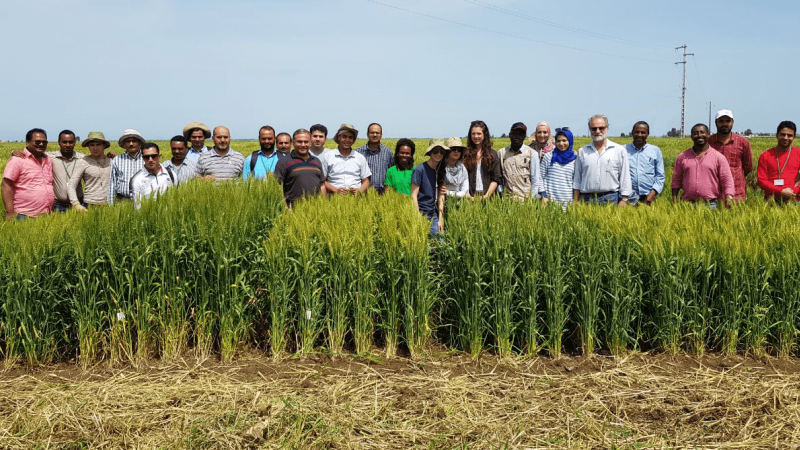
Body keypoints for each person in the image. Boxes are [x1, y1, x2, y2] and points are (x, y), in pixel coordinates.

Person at [572, 114, 632, 206]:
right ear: (589, 129)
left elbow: (625, 176)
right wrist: (576, 199)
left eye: (601, 128)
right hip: (587, 199)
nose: (597, 131)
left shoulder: (619, 150)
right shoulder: (582, 151)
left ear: (607, 128)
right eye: (594, 129)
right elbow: (577, 178)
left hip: (610, 198)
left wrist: (624, 199)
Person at [671, 124, 735, 208]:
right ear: (691, 136)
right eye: (696, 133)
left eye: (702, 132)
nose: (699, 135)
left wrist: (729, 197)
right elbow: (676, 179)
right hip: (687, 205)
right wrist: (674, 200)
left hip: (711, 205)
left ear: (708, 134)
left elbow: (727, 179)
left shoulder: (719, 157)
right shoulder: (682, 157)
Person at [2, 128, 54, 219]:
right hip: (24, 215)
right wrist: (9, 212)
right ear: (27, 142)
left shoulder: (48, 160)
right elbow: (6, 185)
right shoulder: (17, 160)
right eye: (37, 142)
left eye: (44, 142)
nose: (41, 144)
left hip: (46, 215)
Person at [274, 129, 327, 209]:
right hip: (293, 210)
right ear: (293, 143)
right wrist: (286, 209)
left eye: (306, 142)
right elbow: (278, 187)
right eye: (299, 141)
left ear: (310, 142)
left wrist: (323, 205)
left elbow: (322, 185)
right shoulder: (283, 162)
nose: (303, 145)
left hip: (315, 209)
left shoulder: (316, 161)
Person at [709, 109, 753, 201]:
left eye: (728, 121)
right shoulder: (708, 143)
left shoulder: (743, 142)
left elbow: (748, 167)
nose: (724, 124)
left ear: (732, 122)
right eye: (721, 121)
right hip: (713, 192)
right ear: (716, 123)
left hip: (737, 192)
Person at [756, 121, 800, 203]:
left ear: (794, 137)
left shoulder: (798, 154)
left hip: (794, 200)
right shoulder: (765, 156)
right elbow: (761, 180)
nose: (786, 138)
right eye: (783, 134)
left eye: (789, 135)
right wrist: (780, 191)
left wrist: (794, 191)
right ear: (777, 135)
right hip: (771, 201)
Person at [497, 122, 542, 201]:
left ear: (524, 136)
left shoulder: (532, 154)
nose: (517, 136)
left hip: (525, 200)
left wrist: (532, 200)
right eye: (515, 133)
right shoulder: (501, 153)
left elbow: (535, 179)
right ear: (510, 135)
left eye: (521, 134)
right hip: (507, 200)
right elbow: (499, 178)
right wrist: (501, 195)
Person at [412, 138, 448, 235]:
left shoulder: (441, 170)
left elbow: (441, 195)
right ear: (430, 152)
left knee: (439, 242)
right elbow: (413, 195)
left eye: (442, 151)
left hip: (434, 214)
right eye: (435, 151)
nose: (439, 154)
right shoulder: (420, 169)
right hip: (422, 213)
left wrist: (440, 218)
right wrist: (417, 216)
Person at [322, 124, 371, 195]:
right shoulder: (328, 156)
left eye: (350, 137)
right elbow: (322, 180)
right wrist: (335, 190)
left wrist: (359, 191)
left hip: (356, 200)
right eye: (344, 136)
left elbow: (366, 180)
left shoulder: (360, 157)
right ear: (339, 137)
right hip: (334, 199)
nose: (347, 140)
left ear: (353, 140)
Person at [69, 132, 113, 211]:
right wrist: (75, 203)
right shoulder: (83, 162)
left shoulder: (111, 161)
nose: (95, 148)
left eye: (98, 144)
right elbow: (71, 185)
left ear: (104, 146)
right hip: (89, 205)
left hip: (110, 205)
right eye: (92, 145)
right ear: (88, 147)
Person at [625, 121, 665, 206]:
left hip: (649, 197)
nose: (639, 135)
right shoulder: (623, 150)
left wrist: (651, 195)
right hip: (628, 198)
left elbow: (660, 176)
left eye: (643, 132)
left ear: (648, 134)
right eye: (637, 132)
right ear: (632, 133)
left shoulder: (655, 151)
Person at [463, 120, 502, 201]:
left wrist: (486, 196)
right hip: (470, 196)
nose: (476, 136)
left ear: (485, 135)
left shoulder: (492, 154)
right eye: (473, 134)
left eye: (479, 134)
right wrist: (468, 196)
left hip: (489, 197)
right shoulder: (465, 154)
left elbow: (496, 178)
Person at [540, 127, 577, 210]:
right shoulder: (548, 156)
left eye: (564, 140)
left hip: (568, 205)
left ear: (570, 141)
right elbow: (540, 177)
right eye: (558, 141)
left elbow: (576, 182)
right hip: (549, 203)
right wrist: (544, 194)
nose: (561, 143)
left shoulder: (575, 160)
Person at [130, 143, 175, 209]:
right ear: (143, 158)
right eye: (147, 157)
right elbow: (137, 207)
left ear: (159, 156)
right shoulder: (136, 179)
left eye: (153, 156)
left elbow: (176, 198)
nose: (150, 160)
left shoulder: (171, 174)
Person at [48, 130, 85, 212]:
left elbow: (98, 160)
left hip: (79, 204)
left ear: (75, 142)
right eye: (64, 142)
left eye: (70, 142)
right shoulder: (50, 157)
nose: (67, 145)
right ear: (59, 142)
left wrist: (110, 156)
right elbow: (32, 154)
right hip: (57, 205)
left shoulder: (83, 158)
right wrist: (14, 152)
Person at [107, 128, 145, 203]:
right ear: (124, 144)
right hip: (122, 201)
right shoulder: (117, 159)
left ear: (140, 143)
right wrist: (111, 205)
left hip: (144, 201)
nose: (131, 144)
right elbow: (112, 183)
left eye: (134, 141)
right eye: (128, 141)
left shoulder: (147, 158)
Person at [355, 123, 394, 194]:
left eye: (377, 133)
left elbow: (392, 172)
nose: (375, 135)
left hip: (384, 195)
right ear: (367, 134)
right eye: (372, 133)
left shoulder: (387, 152)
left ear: (381, 135)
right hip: (363, 195)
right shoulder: (359, 152)